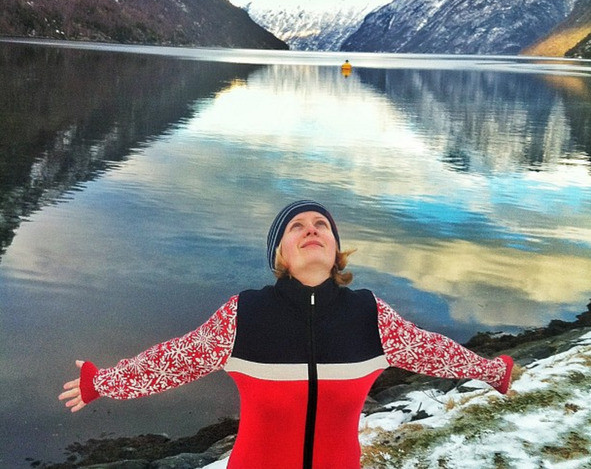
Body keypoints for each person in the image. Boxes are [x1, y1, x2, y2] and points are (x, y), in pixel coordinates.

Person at [59, 200, 513, 469]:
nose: (311, 229)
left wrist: (492, 370)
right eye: (297, 226)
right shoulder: (245, 314)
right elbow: (176, 360)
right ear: (281, 254)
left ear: (336, 250)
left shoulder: (370, 315)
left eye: (321, 225)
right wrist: (102, 382)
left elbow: (432, 351)